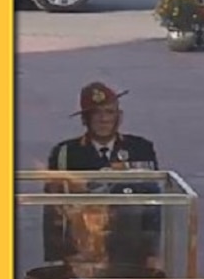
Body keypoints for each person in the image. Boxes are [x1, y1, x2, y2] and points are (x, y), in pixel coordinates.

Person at [45, 82, 160, 268]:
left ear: (119, 117)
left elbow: (153, 204)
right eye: (96, 113)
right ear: (84, 119)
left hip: (131, 248)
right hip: (85, 251)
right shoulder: (65, 154)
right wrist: (58, 256)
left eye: (109, 112)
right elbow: (53, 209)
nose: (104, 119)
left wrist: (152, 253)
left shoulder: (140, 148)